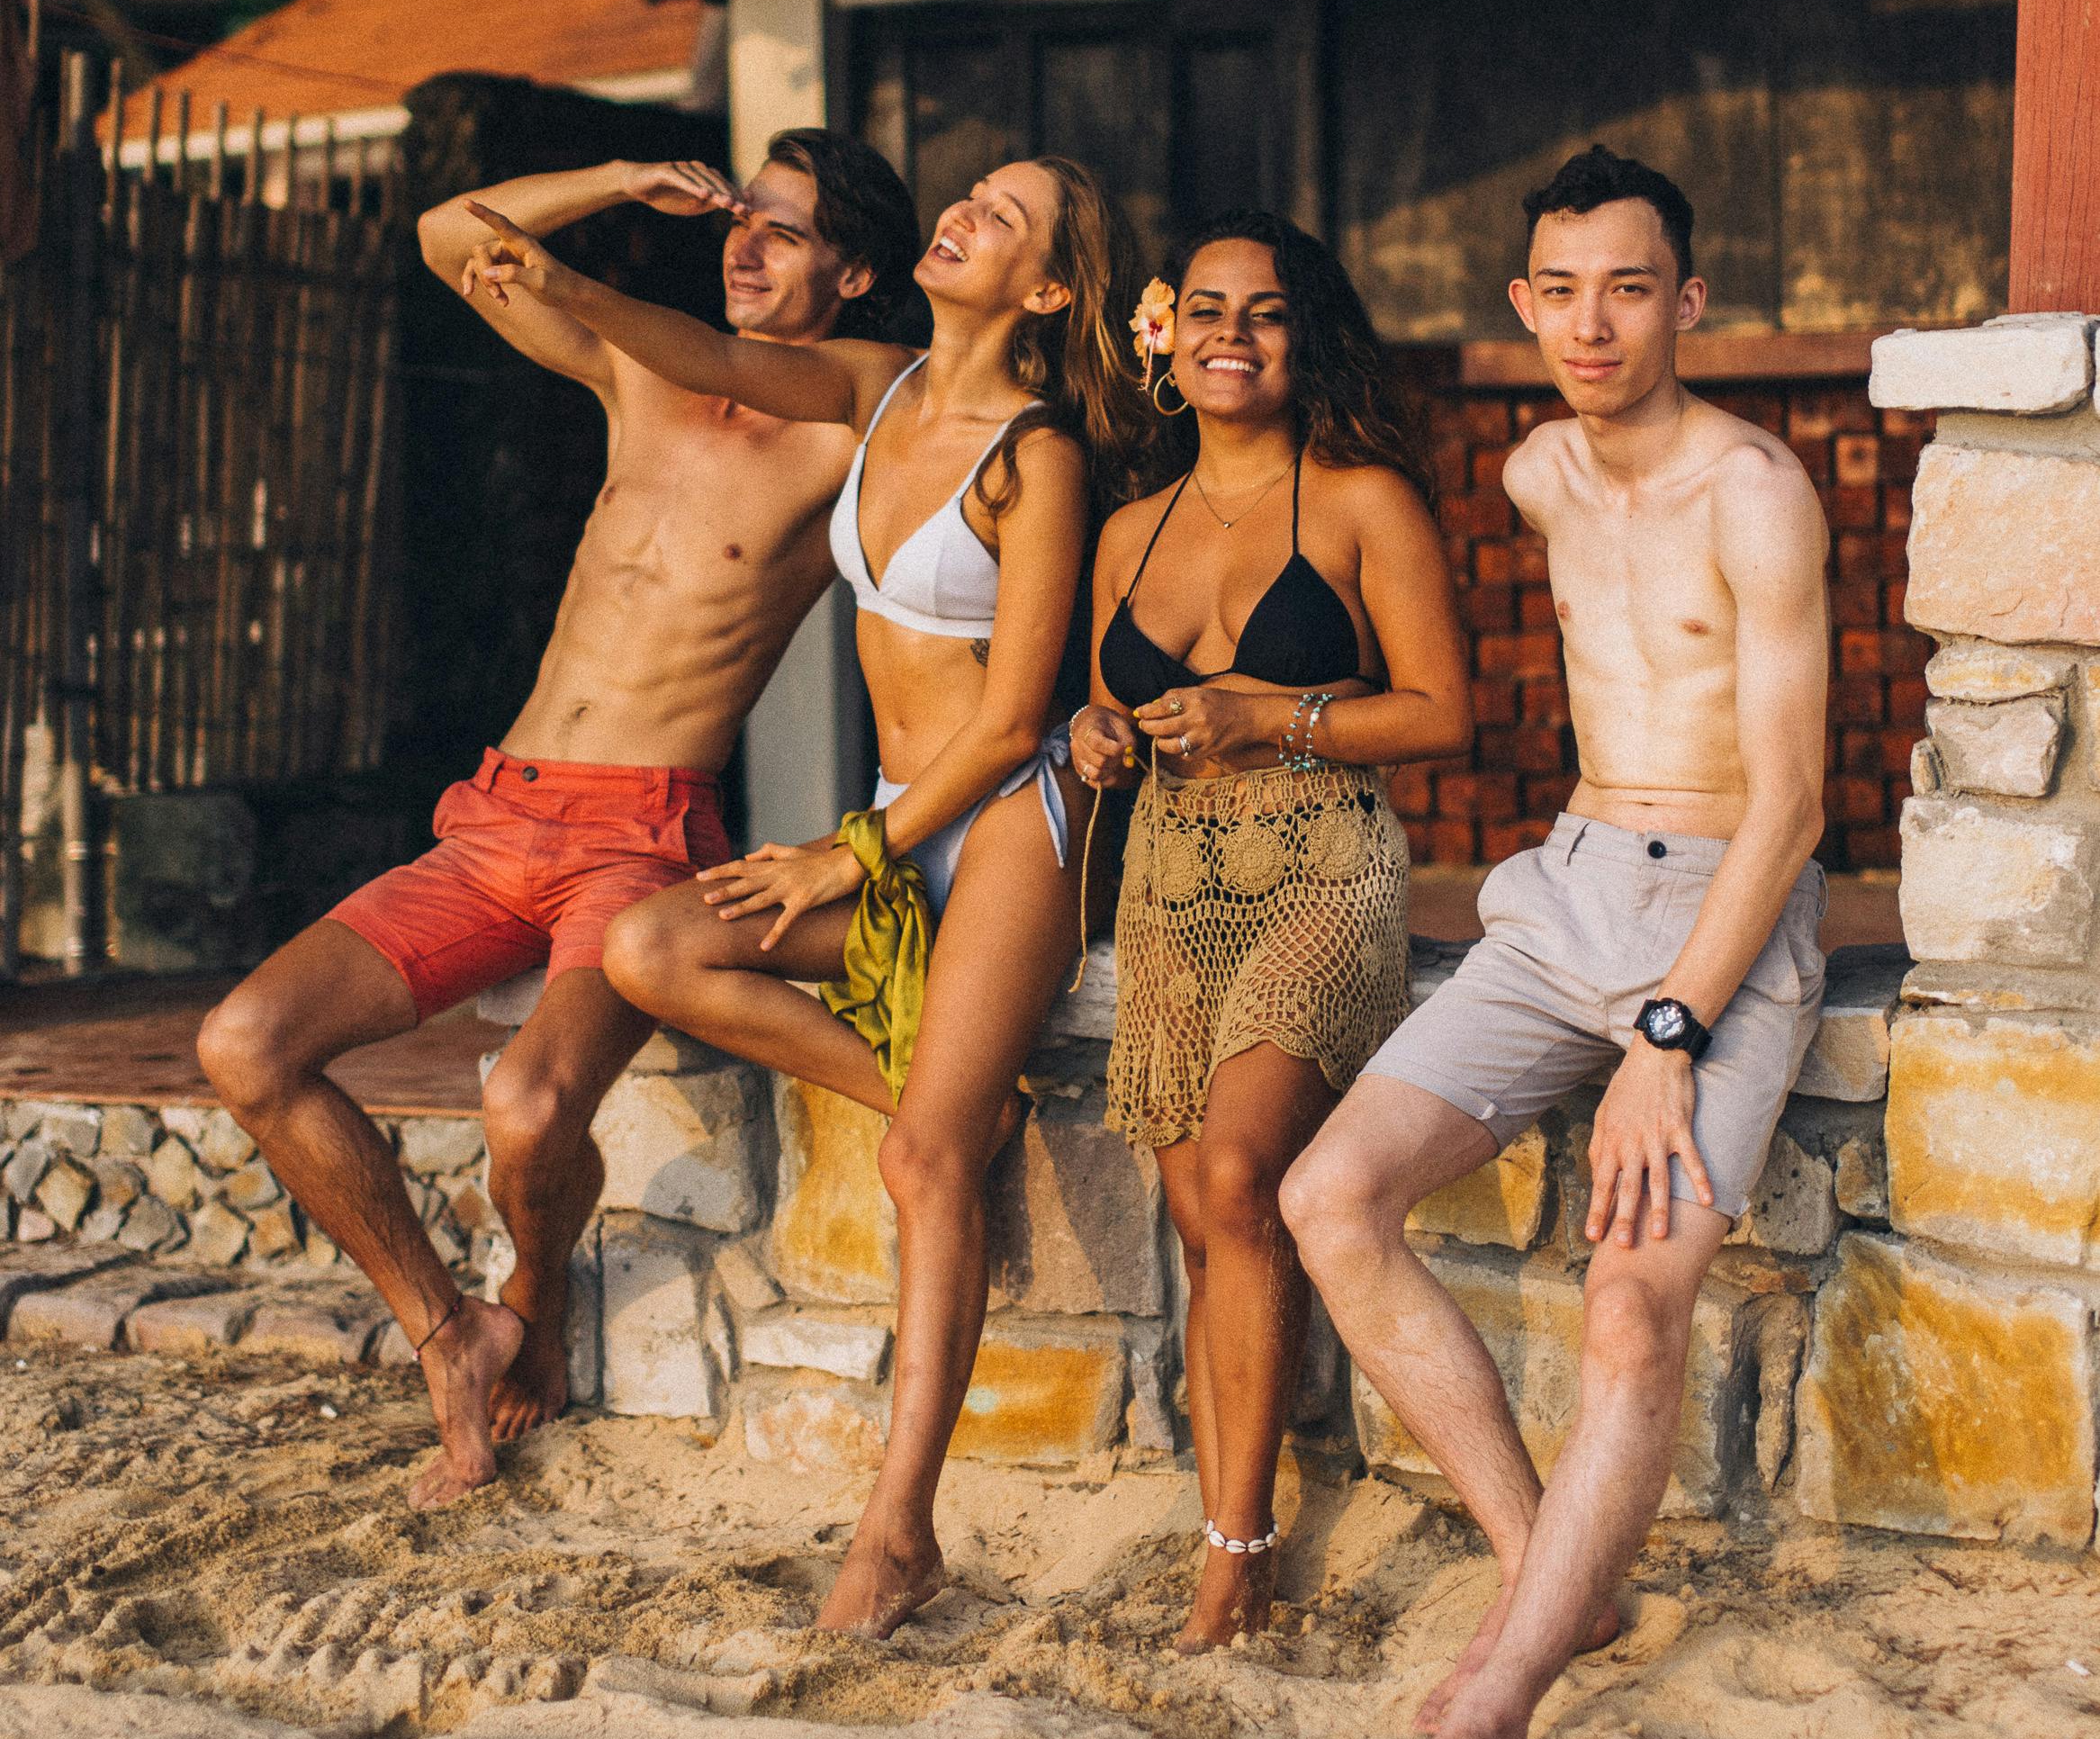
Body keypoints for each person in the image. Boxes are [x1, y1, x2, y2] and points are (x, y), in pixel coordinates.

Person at [457, 155, 1148, 1636]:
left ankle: (898, 1530)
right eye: (969, 197)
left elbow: (1015, 717)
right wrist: (562, 281)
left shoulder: (1038, 457)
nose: (962, 212)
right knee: (653, 942)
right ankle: (940, 1093)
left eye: (1003, 219)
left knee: (922, 1173)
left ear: (1044, 291)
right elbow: (699, 351)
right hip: (896, 827)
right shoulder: (873, 391)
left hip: (1003, 829)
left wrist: (857, 853)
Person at [197, 131, 924, 1507]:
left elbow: (856, 383)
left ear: (858, 270)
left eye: (785, 229)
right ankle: (448, 1330)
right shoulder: (639, 376)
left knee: (527, 1113)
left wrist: (586, 283)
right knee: (245, 1045)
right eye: (738, 220)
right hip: (497, 816)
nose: (745, 245)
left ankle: (532, 1285)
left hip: (641, 839)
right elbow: (440, 234)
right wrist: (611, 184)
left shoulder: (863, 410)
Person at [1280, 145, 1830, 1739]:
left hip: (1728, 899)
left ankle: (1490, 1709)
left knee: (1627, 1303)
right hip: (1570, 876)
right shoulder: (1532, 472)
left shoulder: (1754, 489)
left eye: (1630, 286)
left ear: (1688, 301)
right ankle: (1548, 1580)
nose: (1594, 323)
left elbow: (1799, 801)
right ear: (1523, 305)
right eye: (1561, 289)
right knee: (1329, 1198)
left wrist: (1670, 1029)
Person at [1072, 213, 1469, 1652]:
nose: (1233, 333)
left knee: (1239, 1170)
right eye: (1209, 309)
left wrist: (1272, 715)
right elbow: (1100, 711)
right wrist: (1097, 732)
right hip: (1169, 884)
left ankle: (1236, 1561)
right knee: (1200, 1220)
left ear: (1307, 342)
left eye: (1269, 313)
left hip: (1321, 868)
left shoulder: (1360, 498)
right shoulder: (1127, 526)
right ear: (1165, 338)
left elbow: (1443, 712)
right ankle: (1236, 1502)